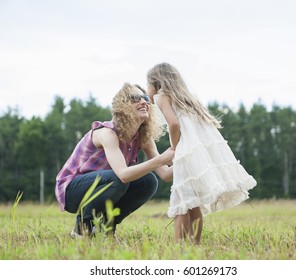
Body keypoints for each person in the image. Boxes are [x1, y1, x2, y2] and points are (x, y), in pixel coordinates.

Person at [146, 62, 257, 244]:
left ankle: (178, 246)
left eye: (147, 85)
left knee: (182, 202)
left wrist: (175, 148)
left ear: (156, 83)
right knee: (193, 201)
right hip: (199, 152)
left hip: (186, 152)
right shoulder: (188, 98)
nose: (146, 90)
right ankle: (195, 244)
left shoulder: (161, 97)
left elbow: (174, 124)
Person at [55, 83, 174, 238]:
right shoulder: (107, 133)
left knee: (149, 181)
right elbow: (123, 175)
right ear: (123, 105)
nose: (144, 101)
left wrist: (186, 159)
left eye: (145, 98)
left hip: (106, 183)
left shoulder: (143, 137)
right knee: (118, 179)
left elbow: (165, 174)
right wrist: (160, 160)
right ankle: (82, 228)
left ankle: (106, 227)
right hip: (72, 190)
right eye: (135, 98)